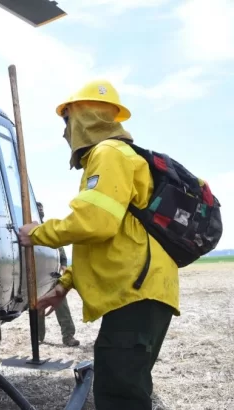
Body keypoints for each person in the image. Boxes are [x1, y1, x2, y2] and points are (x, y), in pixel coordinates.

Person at [18, 79, 179, 410]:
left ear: (84, 118)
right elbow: (106, 240)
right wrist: (65, 285)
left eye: (67, 121)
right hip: (140, 292)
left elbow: (94, 222)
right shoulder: (115, 157)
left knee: (119, 395)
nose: (65, 132)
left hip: (135, 293)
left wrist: (37, 233)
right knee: (125, 385)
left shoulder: (108, 154)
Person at [35, 202, 80, 347]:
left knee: (62, 305)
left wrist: (64, 264)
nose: (41, 211)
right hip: (37, 276)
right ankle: (38, 337)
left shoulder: (47, 228)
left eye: (42, 209)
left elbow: (60, 249)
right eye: (39, 209)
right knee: (38, 306)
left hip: (53, 275)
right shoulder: (31, 230)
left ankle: (68, 336)